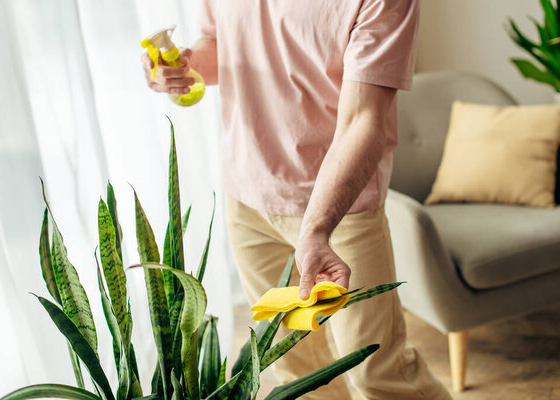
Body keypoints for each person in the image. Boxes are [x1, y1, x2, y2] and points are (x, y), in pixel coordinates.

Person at [142, 1, 452, 399]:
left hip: (341, 214)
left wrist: (317, 229)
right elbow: (222, 43)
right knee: (297, 371)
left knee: (378, 372)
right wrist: (180, 69)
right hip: (248, 197)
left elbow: (364, 120)